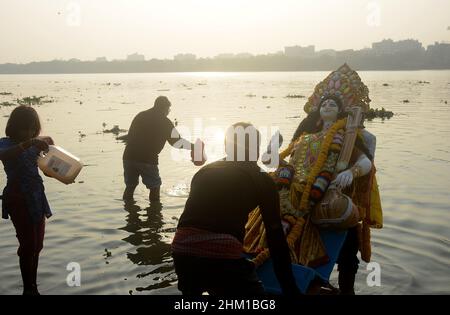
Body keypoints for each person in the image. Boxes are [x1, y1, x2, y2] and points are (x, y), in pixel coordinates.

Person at [243, 64, 383, 295]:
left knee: (348, 254)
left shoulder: (346, 136)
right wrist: (271, 153)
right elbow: (284, 164)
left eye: (333, 104)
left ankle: (346, 290)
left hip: (329, 195)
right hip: (292, 190)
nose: (327, 106)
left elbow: (366, 163)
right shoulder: (304, 138)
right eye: (324, 103)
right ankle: (267, 265)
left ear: (341, 111)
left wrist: (350, 173)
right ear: (317, 110)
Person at [171, 122, 300, 296]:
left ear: (226, 147)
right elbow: (275, 237)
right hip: (222, 255)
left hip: (181, 250)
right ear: (256, 148)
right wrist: (291, 289)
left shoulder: (204, 172)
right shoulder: (261, 179)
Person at [0, 105, 54, 295]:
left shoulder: (34, 146)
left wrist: (57, 162)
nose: (30, 132)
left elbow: (48, 171)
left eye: (33, 128)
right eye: (25, 128)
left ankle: (33, 286)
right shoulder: (5, 144)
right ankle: (27, 288)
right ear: (14, 127)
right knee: (28, 244)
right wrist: (29, 143)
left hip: (37, 197)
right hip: (18, 198)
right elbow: (4, 155)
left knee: (37, 245)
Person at [122, 96, 205, 202]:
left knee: (130, 186)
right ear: (164, 108)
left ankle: (129, 213)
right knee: (154, 187)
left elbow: (130, 136)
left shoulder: (140, 115)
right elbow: (176, 142)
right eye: (168, 109)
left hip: (129, 157)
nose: (168, 112)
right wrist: (194, 147)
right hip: (147, 159)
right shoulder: (164, 122)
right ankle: (154, 215)